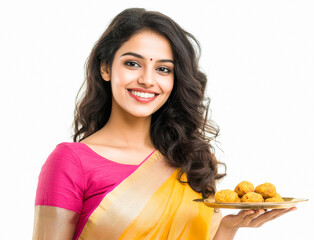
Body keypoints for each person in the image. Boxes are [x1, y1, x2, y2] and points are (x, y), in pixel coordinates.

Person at [33, 8, 296, 240]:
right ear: (105, 68)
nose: (147, 80)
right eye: (132, 63)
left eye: (163, 69)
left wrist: (228, 228)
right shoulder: (70, 162)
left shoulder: (193, 160)